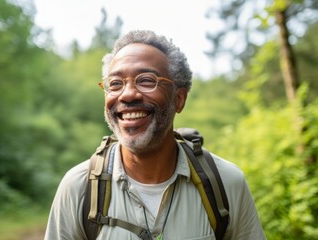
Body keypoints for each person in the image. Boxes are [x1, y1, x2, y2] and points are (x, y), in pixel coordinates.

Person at [44, 30, 266, 240]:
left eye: (147, 80)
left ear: (179, 99)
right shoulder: (78, 186)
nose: (128, 94)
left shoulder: (226, 183)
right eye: (115, 84)